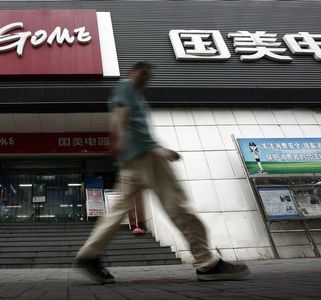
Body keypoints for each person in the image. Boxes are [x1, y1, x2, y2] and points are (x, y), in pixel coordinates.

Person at [75, 62, 249, 283]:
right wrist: (119, 139)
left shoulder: (135, 94)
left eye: (150, 74)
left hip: (132, 160)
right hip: (146, 157)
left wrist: (154, 149)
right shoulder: (127, 86)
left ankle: (89, 254)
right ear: (134, 72)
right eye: (144, 73)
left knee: (117, 211)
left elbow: (132, 125)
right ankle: (207, 263)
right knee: (178, 206)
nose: (147, 78)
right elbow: (122, 114)